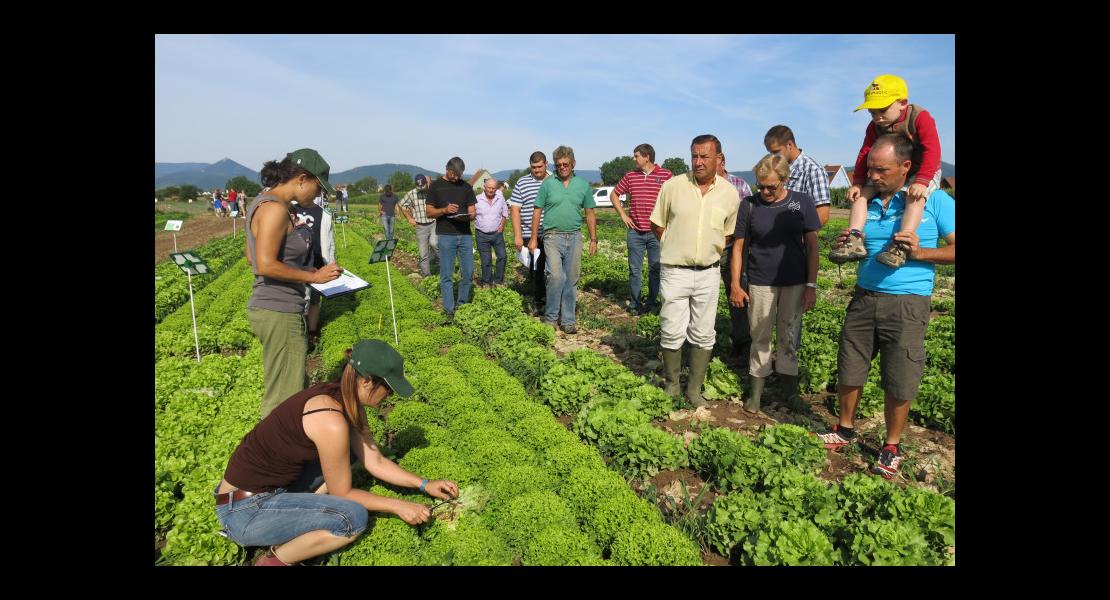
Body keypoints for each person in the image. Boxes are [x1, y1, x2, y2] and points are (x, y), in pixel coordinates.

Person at [215, 339, 460, 566]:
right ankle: (273, 560)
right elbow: (343, 492)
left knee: (352, 454)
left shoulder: (342, 396)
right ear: (367, 381)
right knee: (352, 517)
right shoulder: (330, 419)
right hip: (244, 512)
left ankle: (302, 518)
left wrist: (424, 484)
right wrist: (399, 506)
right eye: (388, 388)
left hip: (263, 492)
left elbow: (373, 459)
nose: (391, 395)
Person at [816, 135, 955, 479]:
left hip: (907, 304)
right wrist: (847, 243)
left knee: (899, 377)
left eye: (882, 170)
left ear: (906, 167)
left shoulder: (932, 200)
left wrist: (921, 253)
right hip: (864, 296)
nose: (872, 175)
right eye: (871, 168)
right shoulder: (868, 201)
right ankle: (845, 429)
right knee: (850, 366)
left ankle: (891, 445)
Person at [246, 148, 343, 419]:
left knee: (285, 384)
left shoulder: (262, 202)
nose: (318, 194)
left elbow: (249, 255)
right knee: (282, 399)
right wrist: (313, 277)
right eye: (317, 187)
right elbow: (263, 264)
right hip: (279, 309)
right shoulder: (276, 210)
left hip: (271, 306)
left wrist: (301, 267)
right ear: (301, 179)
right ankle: (273, 455)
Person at [651, 135, 739, 407]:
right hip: (675, 271)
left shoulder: (729, 193)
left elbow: (728, 234)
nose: (698, 162)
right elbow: (658, 225)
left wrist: (705, 251)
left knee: (703, 331)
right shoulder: (672, 186)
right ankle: (672, 384)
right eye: (695, 156)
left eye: (705, 157)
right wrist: (676, 244)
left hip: (709, 273)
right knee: (671, 329)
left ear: (719, 159)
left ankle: (694, 389)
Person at [728, 154, 820, 414]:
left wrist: (811, 286)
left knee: (789, 335)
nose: (766, 191)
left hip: (795, 281)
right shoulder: (749, 205)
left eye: (772, 186)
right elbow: (738, 247)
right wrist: (736, 283)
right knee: (760, 335)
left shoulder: (801, 203)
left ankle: (789, 391)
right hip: (760, 281)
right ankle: (756, 391)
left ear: (784, 179)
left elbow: (812, 247)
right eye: (761, 186)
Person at [831, 74, 944, 269]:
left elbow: (932, 149)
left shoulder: (919, 117)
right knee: (861, 196)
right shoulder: (875, 126)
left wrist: (922, 181)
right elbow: (865, 152)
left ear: (902, 103)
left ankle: (901, 245)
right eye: (872, 112)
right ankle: (855, 237)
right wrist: (858, 182)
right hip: (889, 170)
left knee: (914, 198)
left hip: (923, 167)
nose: (877, 117)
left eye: (882, 110)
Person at [763, 125, 832, 364]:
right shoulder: (777, 170)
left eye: (776, 151)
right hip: (771, 253)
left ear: (790, 145)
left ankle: (787, 366)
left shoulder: (812, 170)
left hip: (796, 252)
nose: (773, 157)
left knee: (791, 317)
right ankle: (769, 362)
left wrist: (794, 232)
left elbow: (821, 215)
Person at [528, 146, 597, 335]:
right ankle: (550, 317)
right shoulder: (548, 184)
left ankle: (568, 320)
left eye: (566, 164)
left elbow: (590, 213)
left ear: (573, 164)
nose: (562, 167)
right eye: (559, 165)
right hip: (551, 236)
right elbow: (537, 210)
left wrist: (593, 239)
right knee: (556, 276)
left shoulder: (583, 185)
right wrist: (533, 237)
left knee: (571, 278)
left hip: (575, 236)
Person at [610, 143, 673, 316]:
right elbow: (614, 194)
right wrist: (623, 215)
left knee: (656, 269)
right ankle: (635, 304)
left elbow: (675, 198)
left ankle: (652, 304)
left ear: (647, 157)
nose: (634, 158)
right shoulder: (631, 176)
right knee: (634, 270)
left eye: (636, 155)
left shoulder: (666, 175)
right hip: (635, 232)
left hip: (656, 233)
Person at [426, 157, 477, 322]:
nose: (457, 178)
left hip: (465, 235)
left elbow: (472, 210)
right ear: (447, 169)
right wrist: (445, 210)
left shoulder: (466, 187)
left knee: (468, 273)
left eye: (459, 174)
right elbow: (429, 212)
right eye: (454, 174)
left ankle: (461, 305)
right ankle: (449, 310)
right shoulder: (435, 186)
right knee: (446, 275)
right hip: (446, 235)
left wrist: (470, 215)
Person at [717, 154, 754, 363]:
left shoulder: (739, 186)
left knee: (737, 295)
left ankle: (743, 343)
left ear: (721, 161)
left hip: (733, 249)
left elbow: (750, 219)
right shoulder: (697, 185)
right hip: (705, 251)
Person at [292, 193, 336, 353]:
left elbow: (330, 242)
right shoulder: (290, 209)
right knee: (300, 300)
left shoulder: (322, 213)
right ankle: (299, 334)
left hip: (317, 262)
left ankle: (312, 332)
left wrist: (330, 264)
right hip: (297, 264)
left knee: (315, 301)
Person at [508, 152, 551, 313]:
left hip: (550, 232)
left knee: (551, 268)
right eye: (533, 167)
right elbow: (514, 209)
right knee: (537, 268)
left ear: (546, 164)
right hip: (528, 232)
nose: (536, 170)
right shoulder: (522, 182)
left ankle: (547, 298)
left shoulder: (554, 180)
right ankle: (539, 301)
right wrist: (518, 235)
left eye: (539, 166)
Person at [398, 174, 438, 277]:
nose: (421, 189)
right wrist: (410, 218)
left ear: (427, 183)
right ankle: (427, 276)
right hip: (420, 226)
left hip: (434, 223)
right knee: (423, 254)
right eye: (419, 187)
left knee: (434, 243)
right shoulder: (412, 193)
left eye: (423, 186)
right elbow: (402, 205)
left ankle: (445, 267)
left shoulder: (433, 191)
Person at [474, 178, 509, 287]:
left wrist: (502, 227)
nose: (491, 190)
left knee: (502, 256)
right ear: (484, 187)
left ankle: (498, 281)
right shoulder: (477, 199)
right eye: (489, 188)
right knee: (486, 261)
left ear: (496, 189)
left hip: (497, 234)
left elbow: (504, 213)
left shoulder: (500, 197)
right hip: (481, 234)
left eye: (493, 188)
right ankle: (486, 282)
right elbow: (471, 215)